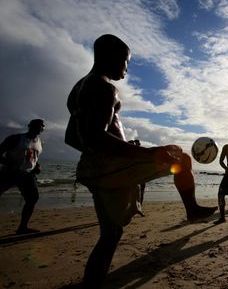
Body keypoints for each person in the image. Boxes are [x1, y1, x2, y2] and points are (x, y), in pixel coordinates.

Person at [65, 34, 216, 288]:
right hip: (110, 166)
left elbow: (74, 137)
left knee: (111, 235)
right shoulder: (105, 88)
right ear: (110, 57)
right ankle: (191, 209)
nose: (126, 68)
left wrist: (124, 149)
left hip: (92, 168)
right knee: (182, 159)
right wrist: (147, 153)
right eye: (125, 61)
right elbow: (96, 136)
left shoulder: (79, 88)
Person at [0, 119, 45, 235]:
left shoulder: (39, 142)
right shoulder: (16, 139)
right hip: (10, 173)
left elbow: (33, 158)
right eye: (39, 125)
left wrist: (36, 166)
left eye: (42, 126)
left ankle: (22, 227)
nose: (42, 127)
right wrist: (9, 163)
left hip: (27, 175)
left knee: (33, 198)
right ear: (30, 126)